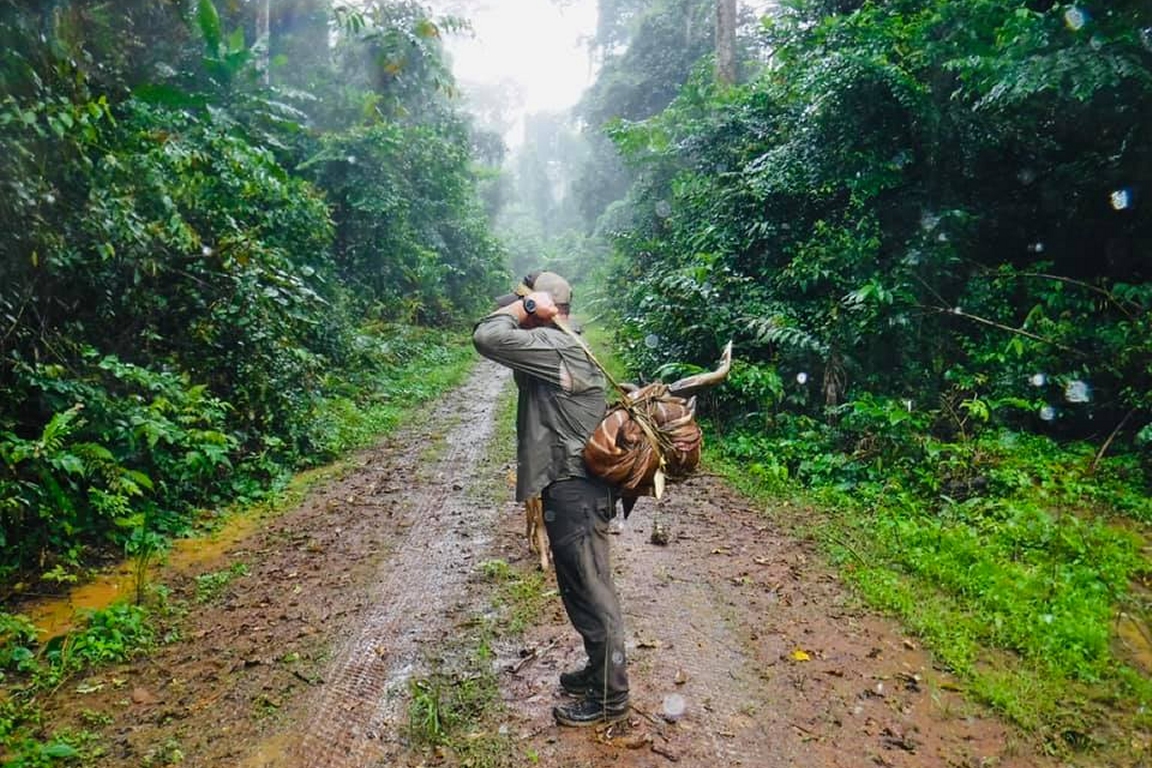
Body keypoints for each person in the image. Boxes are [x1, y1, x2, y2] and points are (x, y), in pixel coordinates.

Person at [472, 271, 630, 727]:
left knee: (592, 591)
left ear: (546, 306)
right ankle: (598, 672)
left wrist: (526, 309)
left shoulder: (553, 344)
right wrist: (529, 309)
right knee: (582, 586)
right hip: (574, 485)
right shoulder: (562, 343)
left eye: (528, 303)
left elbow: (486, 336)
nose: (520, 310)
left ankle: (610, 698)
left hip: (576, 486)